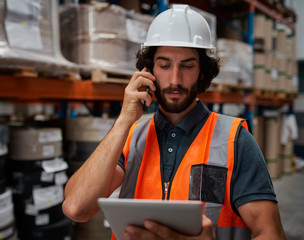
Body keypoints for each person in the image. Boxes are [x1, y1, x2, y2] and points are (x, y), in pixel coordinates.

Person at [62, 4, 286, 240]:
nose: (174, 80)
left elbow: (271, 233)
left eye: (187, 66)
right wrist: (123, 122)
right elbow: (76, 208)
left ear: (202, 71)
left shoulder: (235, 140)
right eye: (165, 65)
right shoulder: (130, 138)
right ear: (149, 71)